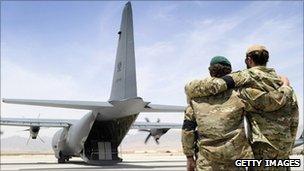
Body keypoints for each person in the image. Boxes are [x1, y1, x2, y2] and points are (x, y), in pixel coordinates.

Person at [185, 45, 299, 171]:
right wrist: (286, 88)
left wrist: (189, 157)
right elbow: (293, 119)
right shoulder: (276, 83)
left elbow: (188, 129)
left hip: (216, 160)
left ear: (249, 60)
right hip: (274, 153)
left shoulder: (243, 81)